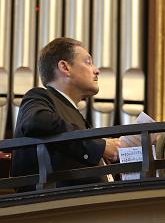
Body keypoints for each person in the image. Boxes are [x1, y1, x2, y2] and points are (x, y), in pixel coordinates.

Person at [11, 38, 120, 190]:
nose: (97, 70)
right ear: (65, 67)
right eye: (88, 62)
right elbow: (36, 121)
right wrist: (99, 146)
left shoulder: (74, 114)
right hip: (58, 207)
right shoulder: (39, 97)